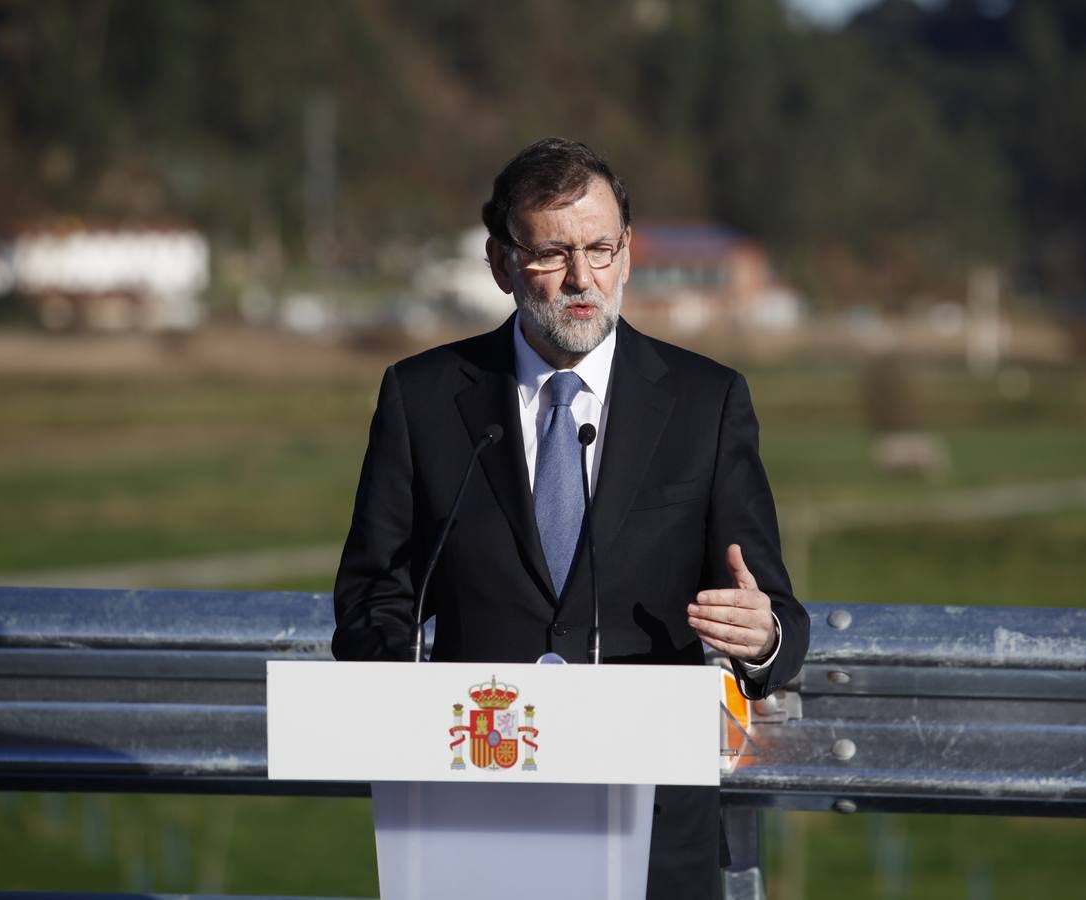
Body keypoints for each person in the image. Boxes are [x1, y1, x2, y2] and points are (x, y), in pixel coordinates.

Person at [333, 137, 809, 899]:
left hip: (652, 820)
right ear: (500, 261)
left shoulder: (705, 401)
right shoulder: (421, 398)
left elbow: (776, 615)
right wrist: (417, 695)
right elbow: (369, 599)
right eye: (553, 253)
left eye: (600, 248)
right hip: (473, 809)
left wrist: (764, 637)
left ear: (627, 253)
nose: (582, 279)